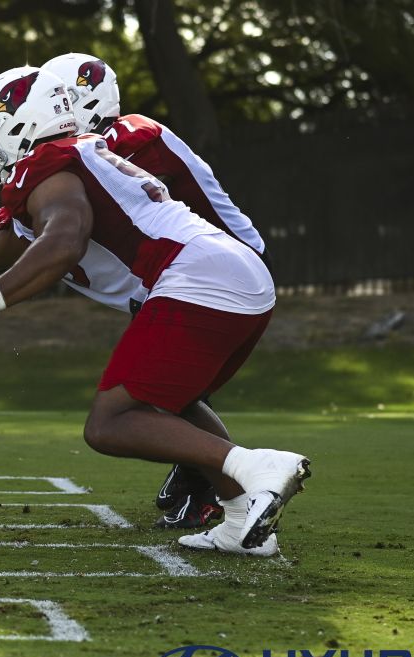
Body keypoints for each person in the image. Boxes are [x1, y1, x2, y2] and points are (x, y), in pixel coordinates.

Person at [0, 67, 310, 555]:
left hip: (198, 276)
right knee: (168, 401)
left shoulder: (50, 164)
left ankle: (255, 467)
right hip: (233, 275)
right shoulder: (77, 156)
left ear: (23, 121)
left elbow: (64, 241)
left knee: (110, 424)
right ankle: (240, 516)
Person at [41, 52, 272, 531]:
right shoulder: (97, 148)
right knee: (161, 397)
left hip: (214, 270)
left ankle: (221, 485)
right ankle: (214, 483)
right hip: (183, 274)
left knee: (153, 400)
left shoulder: (127, 139)